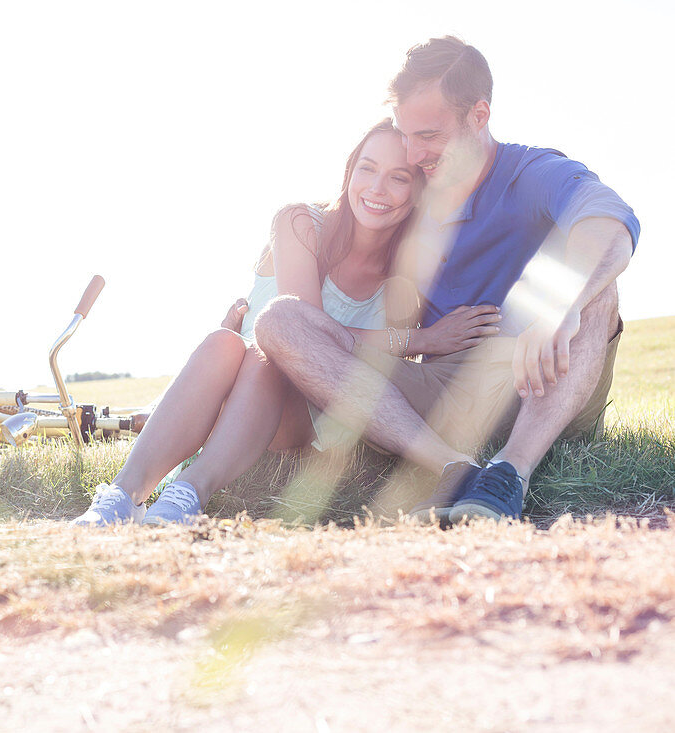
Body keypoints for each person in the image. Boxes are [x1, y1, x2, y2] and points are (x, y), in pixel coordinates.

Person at [254, 36, 640, 524]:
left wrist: (559, 308)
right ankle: (451, 467)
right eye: (405, 134)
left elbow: (612, 224)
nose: (413, 154)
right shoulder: (408, 200)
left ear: (479, 116)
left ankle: (508, 473)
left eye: (429, 136)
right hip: (440, 389)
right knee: (282, 319)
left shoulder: (531, 171)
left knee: (600, 288)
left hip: (541, 376)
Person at [73, 120, 500, 526]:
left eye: (398, 177)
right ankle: (120, 498)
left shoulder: (402, 285)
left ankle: (187, 493)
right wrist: (418, 339)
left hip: (302, 414)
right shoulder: (299, 224)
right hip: (223, 389)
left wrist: (424, 339)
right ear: (349, 172)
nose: (376, 188)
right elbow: (301, 321)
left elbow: (308, 351)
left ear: (416, 192)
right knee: (227, 341)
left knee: (269, 357)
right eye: (367, 169)